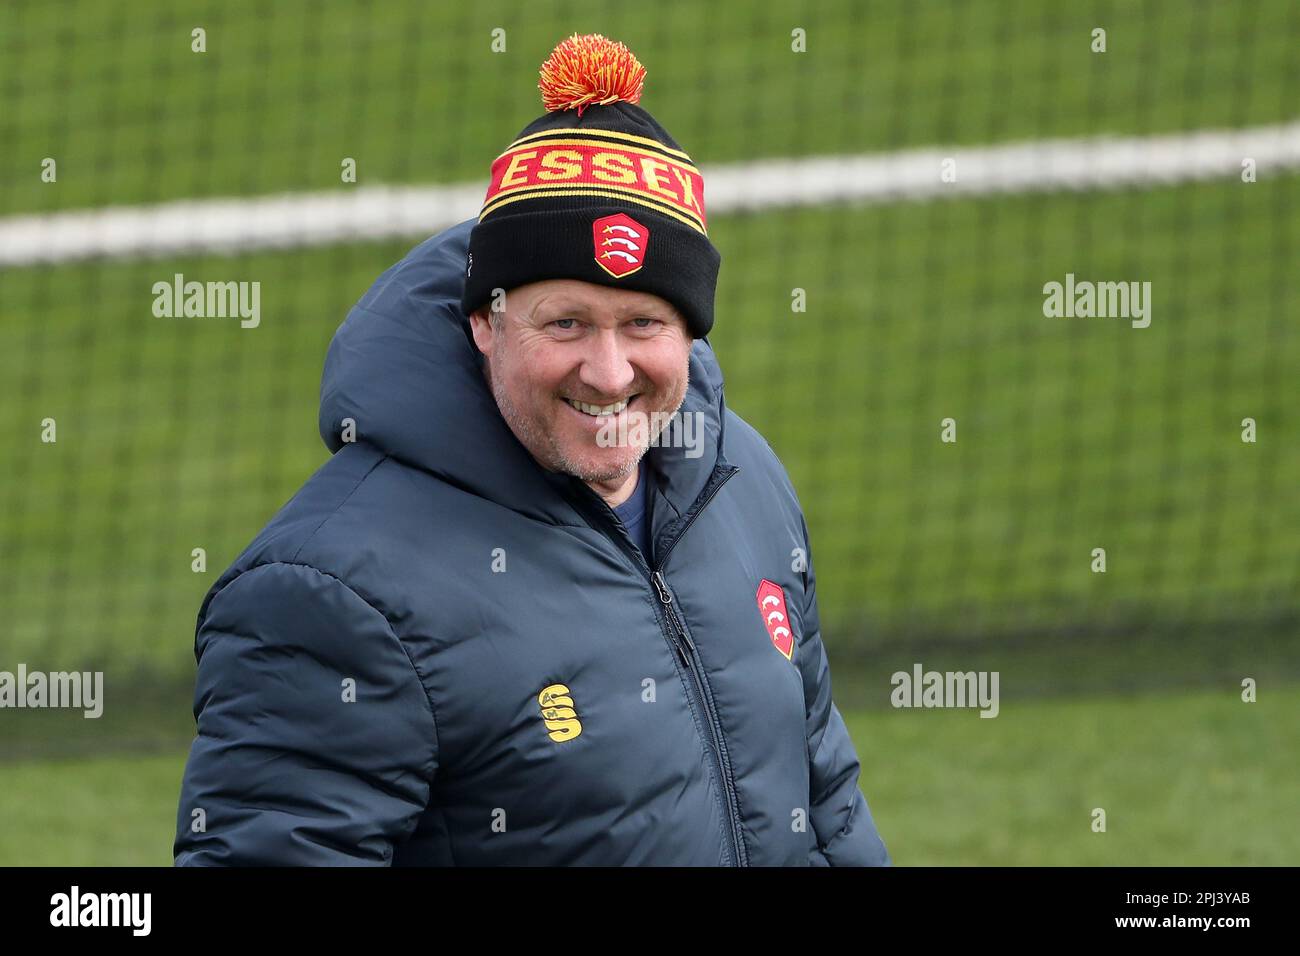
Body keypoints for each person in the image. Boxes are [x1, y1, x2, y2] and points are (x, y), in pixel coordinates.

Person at [174, 32, 889, 866]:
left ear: (691, 332)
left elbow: (828, 804)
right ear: (485, 320)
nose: (610, 371)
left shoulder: (745, 483)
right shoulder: (328, 594)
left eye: (646, 324)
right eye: (566, 324)